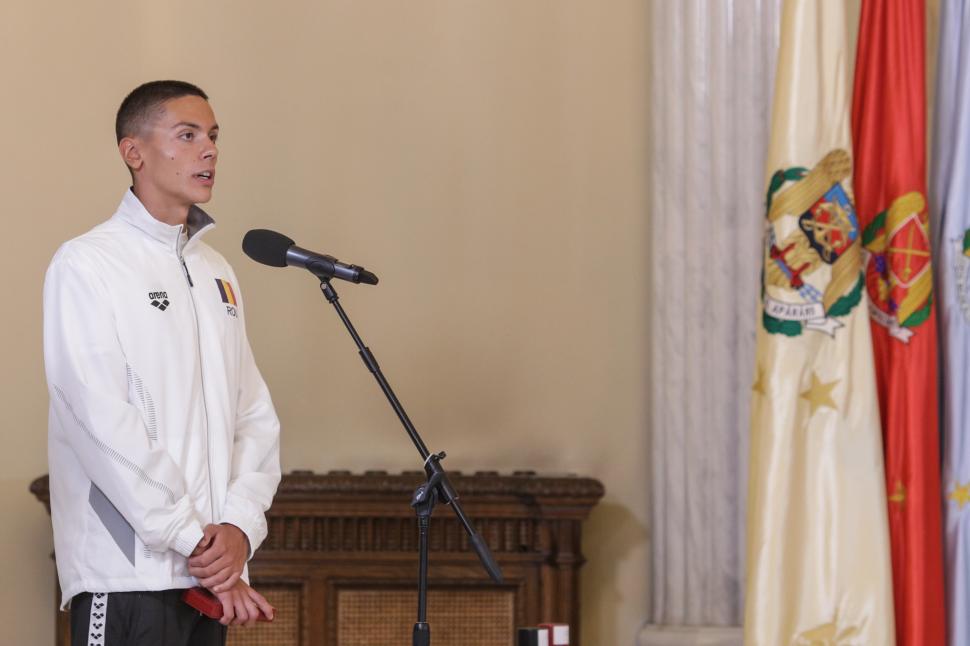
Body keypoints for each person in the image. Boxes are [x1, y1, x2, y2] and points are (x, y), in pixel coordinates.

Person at [43, 80, 282, 645]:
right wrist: (193, 538)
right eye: (188, 135)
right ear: (134, 152)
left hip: (206, 581)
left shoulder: (216, 271)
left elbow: (253, 416)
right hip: (127, 575)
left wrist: (239, 529)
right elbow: (97, 417)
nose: (210, 149)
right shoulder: (87, 263)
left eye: (213, 136)